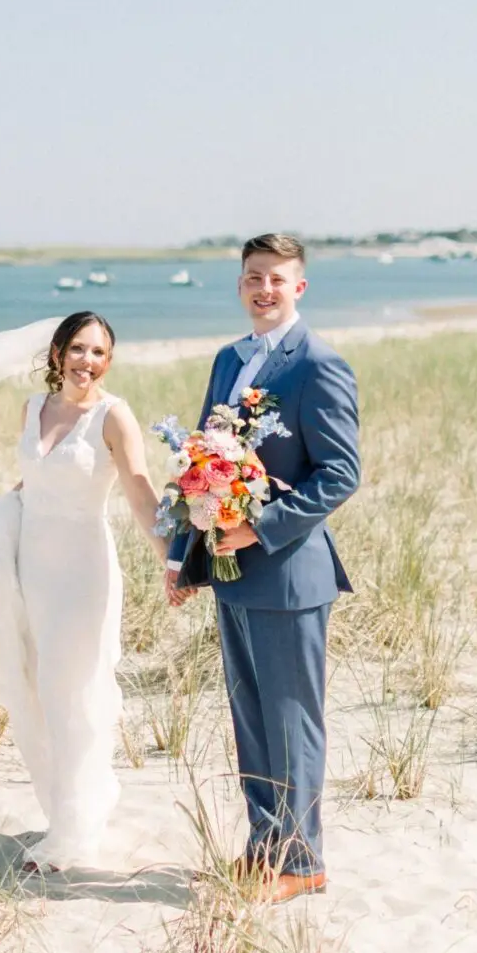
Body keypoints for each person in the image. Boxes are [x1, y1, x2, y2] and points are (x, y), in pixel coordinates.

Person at [167, 233, 360, 901]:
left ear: (298, 287)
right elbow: (199, 466)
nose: (264, 289)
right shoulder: (229, 360)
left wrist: (259, 525)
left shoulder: (319, 364)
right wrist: (182, 556)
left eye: (277, 279)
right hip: (229, 572)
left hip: (290, 570)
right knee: (250, 718)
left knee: (292, 719)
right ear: (241, 284)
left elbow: (341, 474)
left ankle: (303, 862)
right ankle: (264, 847)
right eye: (253, 277)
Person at [0, 311, 166, 871]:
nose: (86, 361)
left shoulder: (114, 417)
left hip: (82, 571)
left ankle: (72, 832)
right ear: (56, 355)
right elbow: (29, 486)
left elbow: (141, 494)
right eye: (77, 349)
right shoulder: (32, 409)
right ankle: (70, 806)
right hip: (33, 569)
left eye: (98, 352)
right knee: (41, 688)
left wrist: (173, 559)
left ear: (108, 362)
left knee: (71, 688)